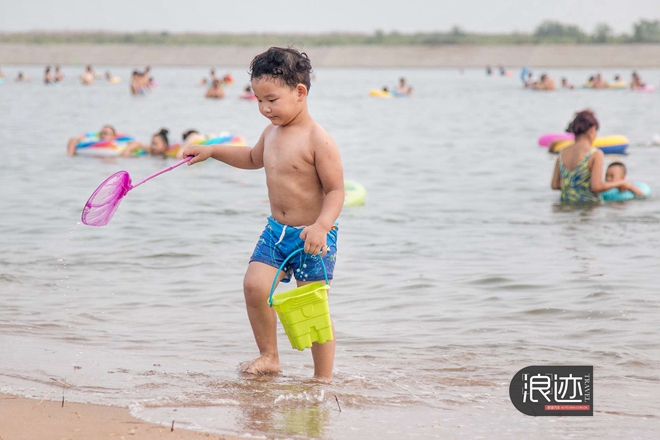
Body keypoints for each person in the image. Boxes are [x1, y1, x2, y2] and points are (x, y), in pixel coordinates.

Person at [181, 47, 343, 381]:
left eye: (271, 99)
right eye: (258, 100)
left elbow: (336, 191)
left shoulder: (318, 139)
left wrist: (321, 226)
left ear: (299, 92)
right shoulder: (271, 133)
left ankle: (322, 378)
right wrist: (212, 151)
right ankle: (269, 356)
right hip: (276, 231)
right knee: (255, 287)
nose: (264, 109)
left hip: (311, 235)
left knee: (311, 306)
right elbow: (252, 159)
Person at [551, 110, 635, 203]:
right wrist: (620, 183)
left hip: (565, 206)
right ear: (592, 130)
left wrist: (574, 187)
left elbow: (554, 185)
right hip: (589, 209)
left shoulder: (562, 153)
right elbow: (596, 187)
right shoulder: (595, 154)